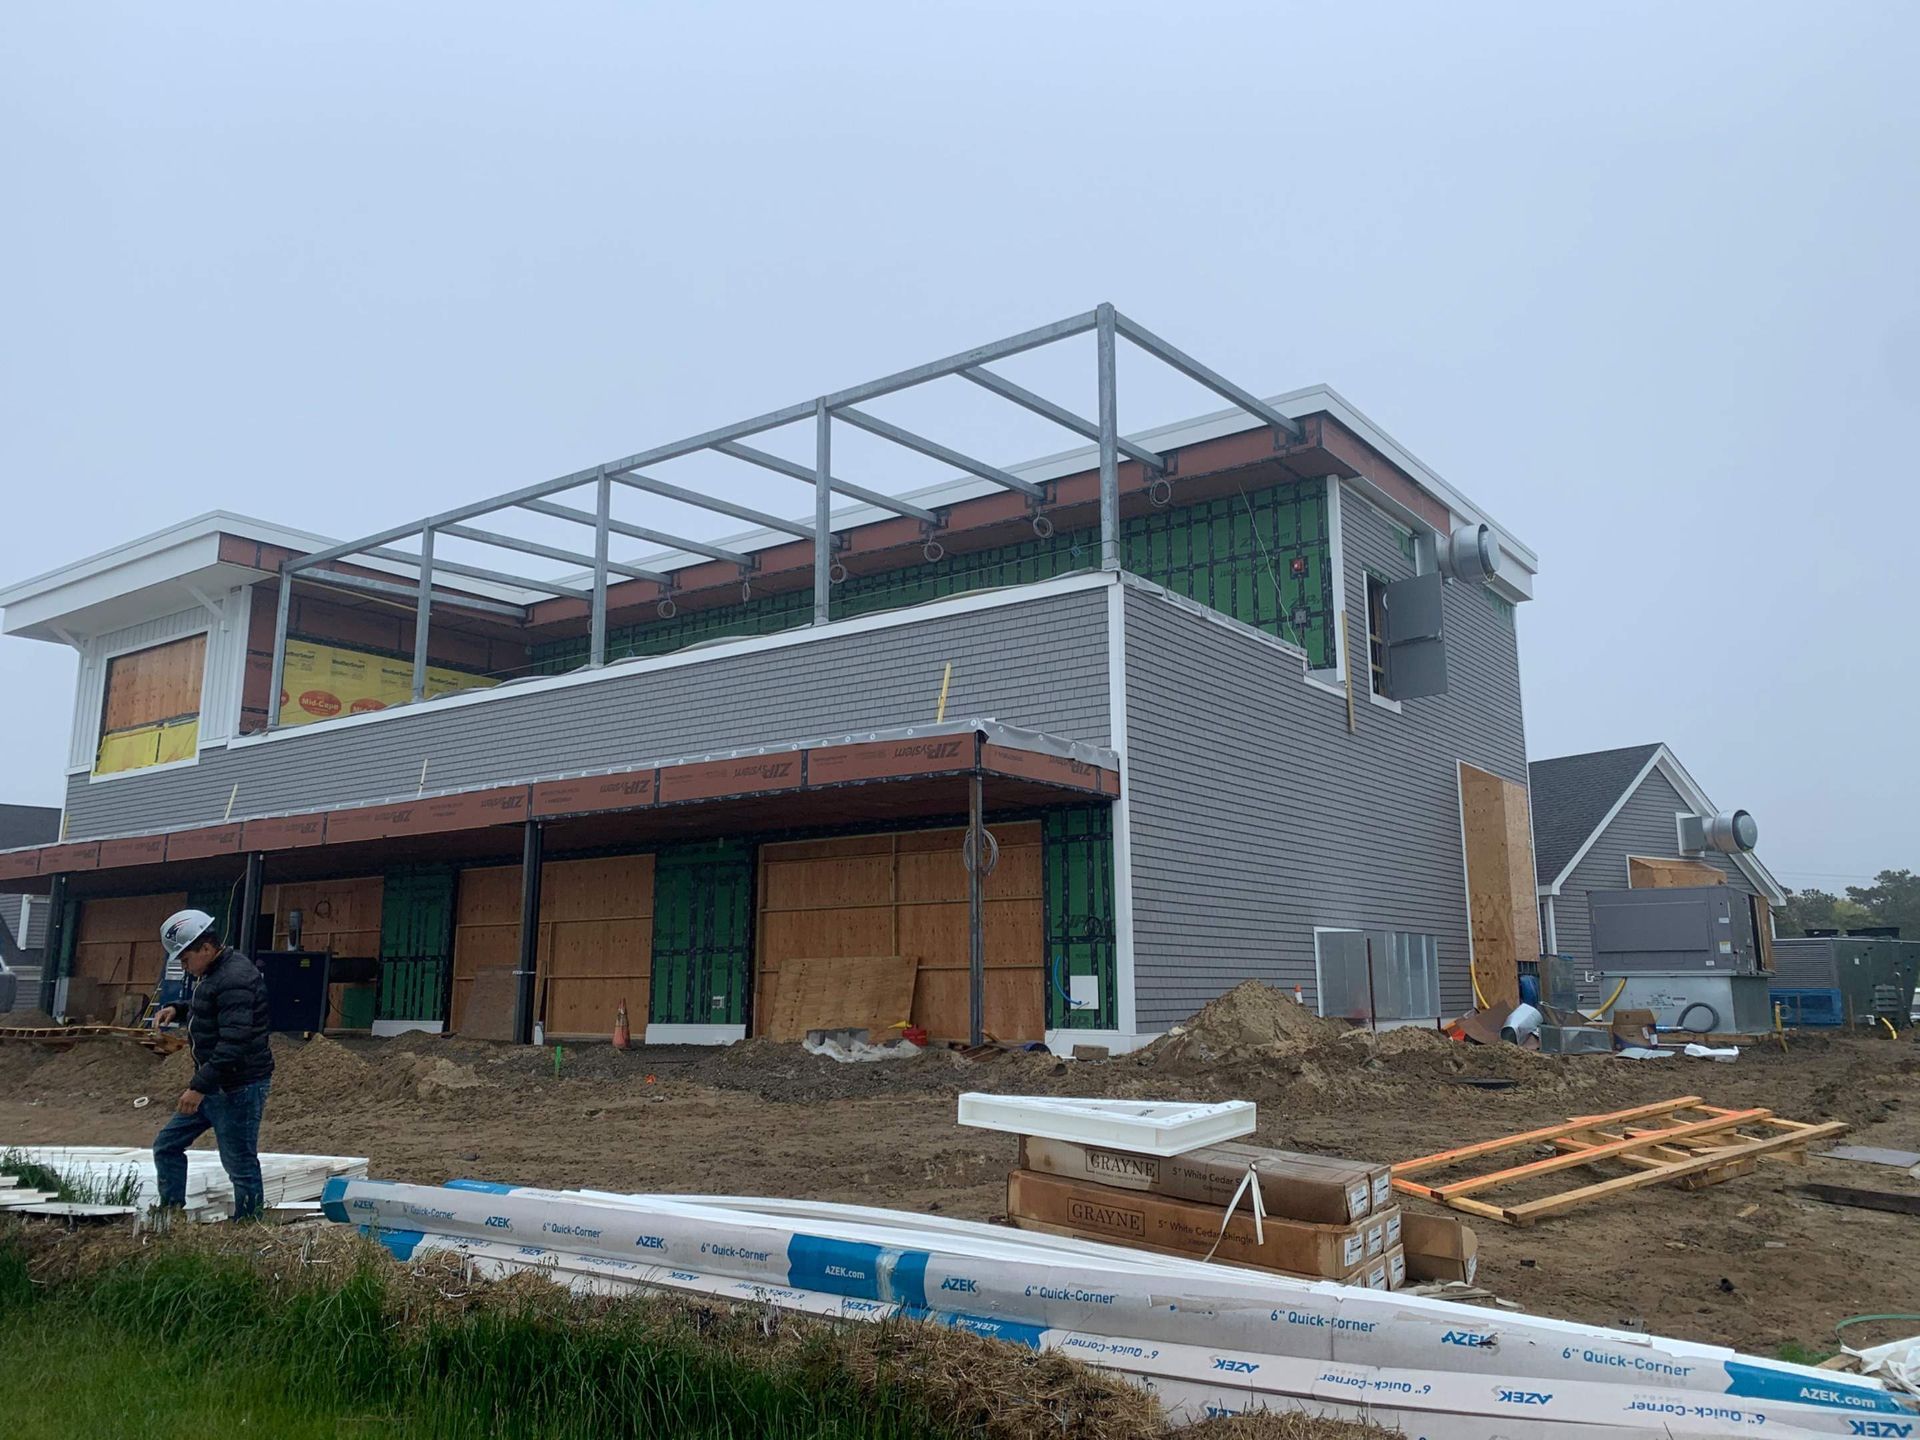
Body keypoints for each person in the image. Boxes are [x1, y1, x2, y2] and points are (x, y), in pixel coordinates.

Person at [151, 909, 274, 1220]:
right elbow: (212, 1007)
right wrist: (178, 1010)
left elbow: (234, 1043)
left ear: (205, 948)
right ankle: (171, 1213)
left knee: (239, 1163)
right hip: (215, 1083)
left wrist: (197, 1088)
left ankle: (248, 1226)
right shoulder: (216, 973)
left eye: (185, 958)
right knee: (166, 1145)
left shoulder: (234, 977)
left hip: (237, 1086)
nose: (183, 965)